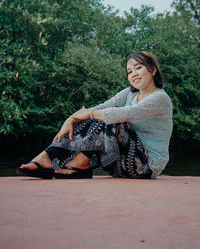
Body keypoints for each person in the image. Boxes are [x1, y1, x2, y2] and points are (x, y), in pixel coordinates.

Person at [17, 51, 173, 179]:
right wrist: (71, 119)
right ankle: (50, 158)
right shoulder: (129, 94)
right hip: (118, 164)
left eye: (138, 68)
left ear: (153, 70)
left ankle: (78, 164)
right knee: (100, 116)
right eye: (129, 71)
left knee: (110, 118)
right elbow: (102, 107)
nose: (133, 74)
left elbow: (124, 113)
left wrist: (87, 114)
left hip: (146, 166)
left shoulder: (160, 98)